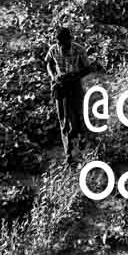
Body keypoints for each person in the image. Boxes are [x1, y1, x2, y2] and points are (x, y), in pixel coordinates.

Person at [44, 25, 102, 165]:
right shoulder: (53, 49)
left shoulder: (79, 50)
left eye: (64, 43)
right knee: (63, 119)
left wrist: (75, 75)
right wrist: (54, 76)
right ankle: (68, 153)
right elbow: (49, 64)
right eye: (59, 43)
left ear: (69, 41)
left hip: (74, 84)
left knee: (77, 116)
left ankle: (81, 139)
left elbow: (87, 68)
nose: (61, 46)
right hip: (60, 85)